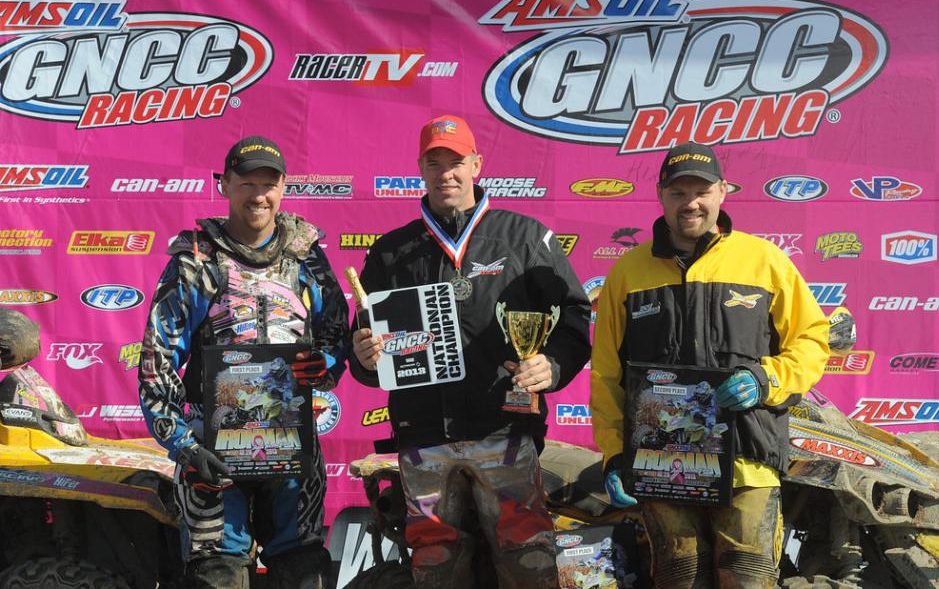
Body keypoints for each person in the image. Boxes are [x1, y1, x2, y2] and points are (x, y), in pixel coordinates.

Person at [349, 114, 591, 588]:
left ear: (477, 164)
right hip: (424, 439)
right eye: (434, 162)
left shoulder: (524, 237)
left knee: (527, 561)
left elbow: (575, 315)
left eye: (456, 161)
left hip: (504, 429)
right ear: (419, 168)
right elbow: (367, 353)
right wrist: (363, 356)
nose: (446, 174)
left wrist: (554, 364)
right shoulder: (390, 252)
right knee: (437, 566)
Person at [590, 142, 829, 588]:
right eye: (678, 192)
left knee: (747, 578)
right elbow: (606, 375)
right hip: (662, 465)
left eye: (701, 191)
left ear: (722, 191)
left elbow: (812, 339)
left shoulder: (766, 261)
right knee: (679, 577)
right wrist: (614, 454)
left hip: (748, 458)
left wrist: (766, 378)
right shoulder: (627, 272)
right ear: (661, 195)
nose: (691, 203)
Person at [138, 136, 349, 589]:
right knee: (216, 576)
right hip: (212, 449)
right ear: (225, 184)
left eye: (268, 184)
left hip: (293, 447)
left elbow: (336, 331)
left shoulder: (307, 256)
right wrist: (185, 447)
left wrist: (324, 364)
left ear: (284, 187)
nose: (258, 196)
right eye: (246, 183)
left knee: (303, 572)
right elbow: (157, 360)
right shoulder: (197, 259)